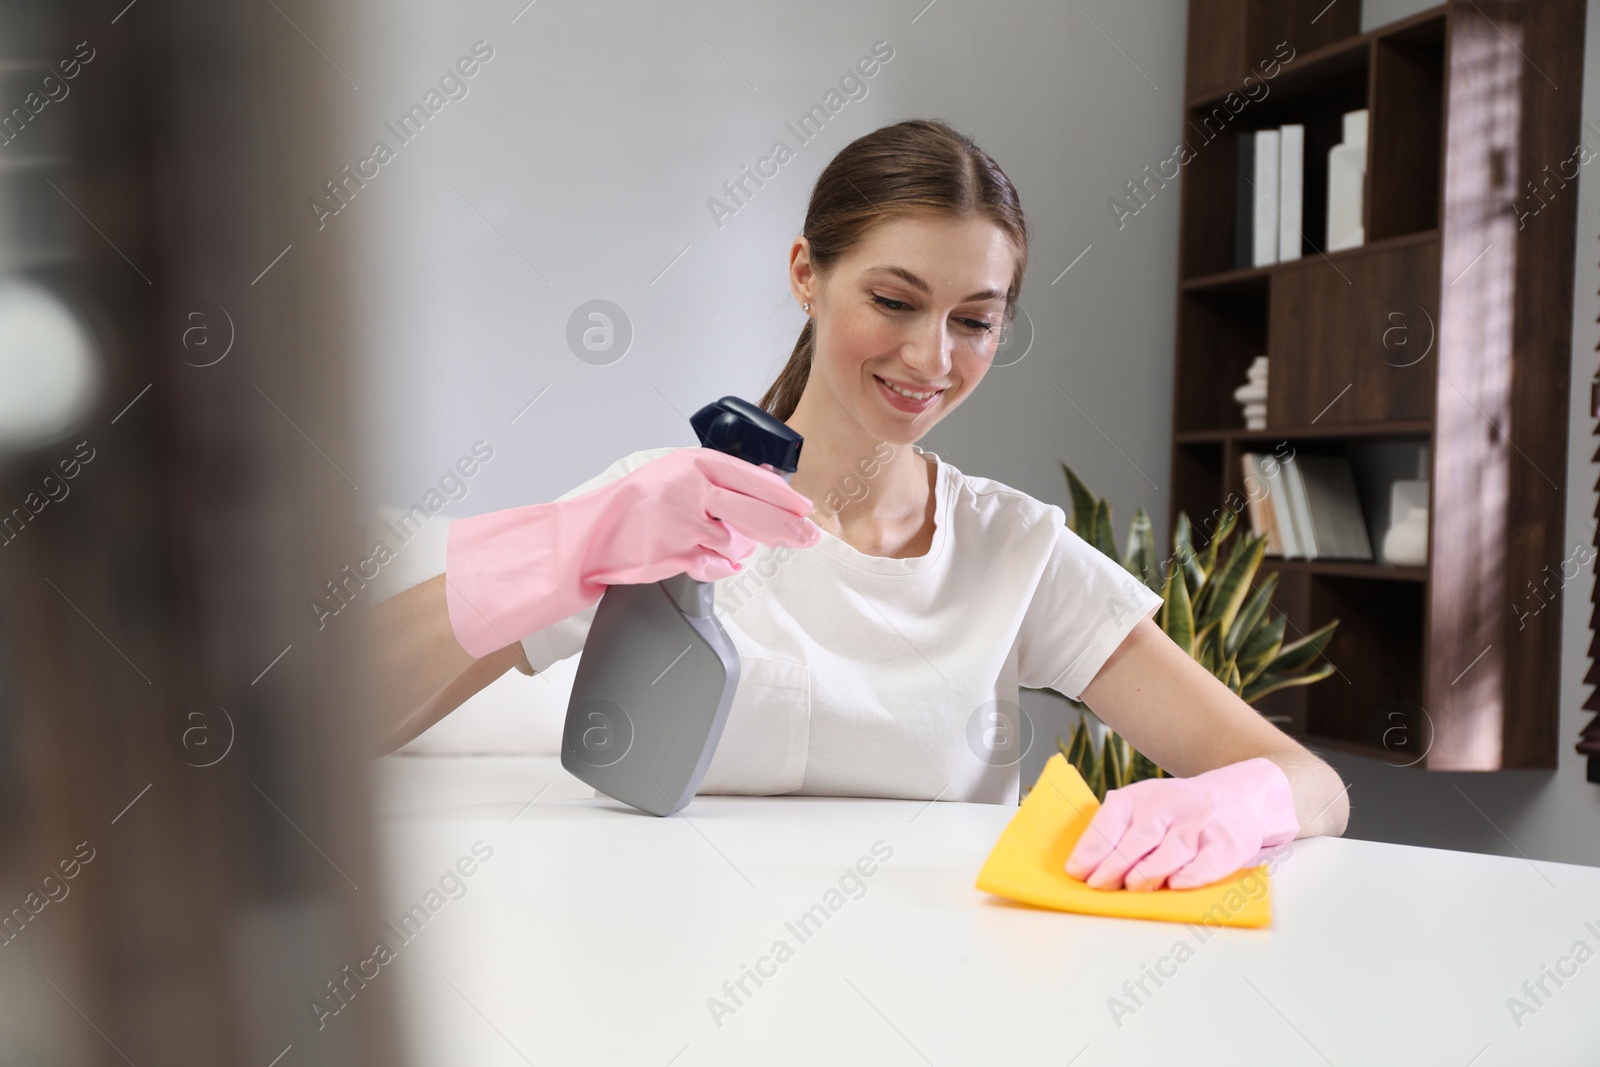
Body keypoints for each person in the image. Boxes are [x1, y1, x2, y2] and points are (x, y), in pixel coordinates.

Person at [368, 118, 1349, 892]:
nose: (932, 358)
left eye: (974, 320)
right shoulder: (669, 507)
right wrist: (569, 543)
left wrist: (1238, 800)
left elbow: (1311, 782)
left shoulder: (1013, 552)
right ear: (807, 274)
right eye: (893, 301)